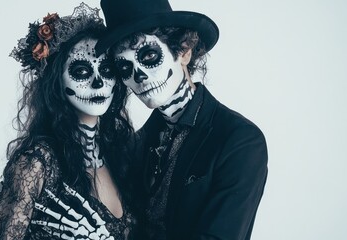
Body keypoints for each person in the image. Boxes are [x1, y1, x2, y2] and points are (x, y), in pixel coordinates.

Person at [94, 0, 268, 239]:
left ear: (184, 50)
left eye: (149, 55)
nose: (139, 76)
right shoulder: (135, 144)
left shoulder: (239, 140)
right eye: (125, 67)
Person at [0, 3, 135, 239]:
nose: (98, 83)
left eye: (106, 70)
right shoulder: (37, 162)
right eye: (81, 71)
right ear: (58, 81)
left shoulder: (121, 152)